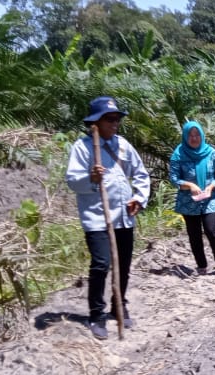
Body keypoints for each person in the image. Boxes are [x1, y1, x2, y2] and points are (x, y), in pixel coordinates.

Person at [66, 96, 150, 340]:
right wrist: (90, 179)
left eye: (117, 119)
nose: (115, 124)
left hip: (124, 216)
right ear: (96, 122)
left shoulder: (122, 145)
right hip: (98, 217)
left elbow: (141, 174)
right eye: (110, 119)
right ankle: (96, 314)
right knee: (101, 264)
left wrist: (139, 198)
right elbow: (72, 181)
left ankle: (118, 304)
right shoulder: (83, 148)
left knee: (123, 264)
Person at [169, 121, 215, 278]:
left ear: (202, 136)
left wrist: (212, 186)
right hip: (189, 202)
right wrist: (189, 185)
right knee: (194, 234)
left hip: (211, 199)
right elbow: (174, 178)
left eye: (197, 135)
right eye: (190, 135)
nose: (194, 138)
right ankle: (201, 264)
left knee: (212, 230)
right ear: (185, 136)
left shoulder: (211, 153)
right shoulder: (178, 154)